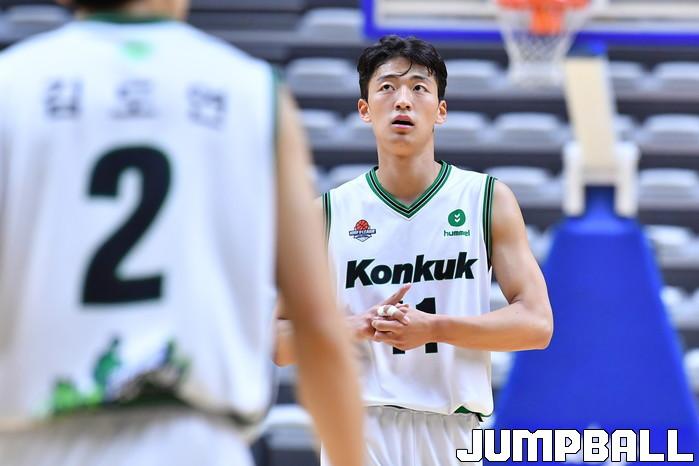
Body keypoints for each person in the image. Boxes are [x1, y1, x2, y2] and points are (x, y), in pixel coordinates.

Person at [0, 1, 364, 466]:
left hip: (33, 439)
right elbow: (316, 324)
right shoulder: (250, 91)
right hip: (196, 443)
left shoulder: (12, 84)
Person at [275, 35, 554, 466]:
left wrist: (435, 327)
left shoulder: (486, 199)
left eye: (419, 87)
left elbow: (537, 325)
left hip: (454, 429)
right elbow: (274, 343)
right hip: (359, 427)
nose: (403, 100)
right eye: (387, 87)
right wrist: (355, 326)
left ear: (440, 111)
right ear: (364, 109)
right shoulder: (327, 213)